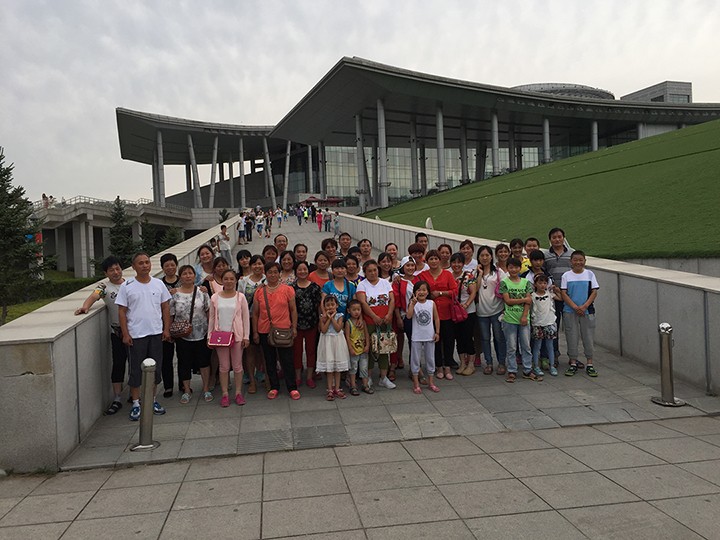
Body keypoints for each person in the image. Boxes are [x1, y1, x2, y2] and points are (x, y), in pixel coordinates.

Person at [115, 252, 171, 421]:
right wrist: (125, 333)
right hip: (136, 335)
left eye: (147, 262)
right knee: (136, 371)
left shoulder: (158, 284)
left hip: (156, 333)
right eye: (140, 263)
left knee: (155, 369)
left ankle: (152, 400)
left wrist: (166, 329)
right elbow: (122, 311)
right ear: (133, 267)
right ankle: (136, 403)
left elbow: (165, 308)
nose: (145, 265)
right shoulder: (127, 286)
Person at [74, 256, 128, 415]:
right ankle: (117, 398)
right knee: (118, 365)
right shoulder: (104, 287)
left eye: (118, 268)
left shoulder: (130, 284)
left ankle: (135, 395)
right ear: (106, 273)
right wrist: (85, 307)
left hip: (135, 330)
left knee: (136, 364)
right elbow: (93, 296)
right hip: (117, 332)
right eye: (111, 270)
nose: (116, 272)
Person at [252, 262, 299, 400]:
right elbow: (255, 313)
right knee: (269, 360)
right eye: (270, 272)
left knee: (287, 360)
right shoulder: (259, 291)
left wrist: (294, 327)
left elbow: (293, 310)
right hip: (264, 330)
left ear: (279, 274)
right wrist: (255, 332)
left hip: (284, 329)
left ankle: (292, 387)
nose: (272, 275)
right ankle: (274, 386)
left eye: (275, 272)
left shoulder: (288, 290)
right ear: (265, 274)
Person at [170, 265, 213, 404]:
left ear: (195, 276)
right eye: (184, 273)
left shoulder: (202, 292)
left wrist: (211, 330)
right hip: (182, 335)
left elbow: (208, 311)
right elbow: (171, 314)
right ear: (180, 277)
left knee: (204, 362)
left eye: (190, 273)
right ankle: (187, 390)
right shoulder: (175, 294)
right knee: (184, 362)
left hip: (202, 332)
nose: (188, 276)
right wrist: (169, 331)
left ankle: (206, 388)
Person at [209, 269, 251, 406]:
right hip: (221, 336)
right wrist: (209, 336)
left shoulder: (240, 297)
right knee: (224, 366)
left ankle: (238, 393)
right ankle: (225, 394)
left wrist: (246, 336)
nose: (229, 281)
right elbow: (212, 318)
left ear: (236, 280)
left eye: (231, 279)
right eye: (226, 279)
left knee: (237, 366)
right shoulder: (215, 297)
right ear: (222, 281)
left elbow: (245, 318)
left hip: (237, 336)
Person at [356, 260, 396, 389]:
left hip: (385, 321)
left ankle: (383, 377)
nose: (373, 273)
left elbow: (392, 299)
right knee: (370, 350)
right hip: (370, 321)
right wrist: (374, 316)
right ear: (365, 272)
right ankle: (368, 377)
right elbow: (363, 303)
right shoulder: (362, 285)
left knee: (384, 348)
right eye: (369, 271)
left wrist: (389, 314)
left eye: (375, 270)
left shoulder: (385, 283)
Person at [418, 249, 456, 379]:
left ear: (440, 260)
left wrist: (440, 293)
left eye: (436, 259)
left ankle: (447, 366)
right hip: (430, 314)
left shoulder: (447, 274)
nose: (434, 261)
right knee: (435, 341)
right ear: (427, 261)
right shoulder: (423, 275)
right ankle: (438, 366)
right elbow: (415, 285)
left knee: (448, 340)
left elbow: (454, 291)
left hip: (447, 313)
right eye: (431, 259)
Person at [560, 251, 599, 377]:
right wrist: (575, 307)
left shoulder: (590, 274)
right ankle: (573, 362)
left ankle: (590, 363)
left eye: (581, 260)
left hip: (587, 311)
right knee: (571, 336)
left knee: (588, 337)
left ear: (585, 261)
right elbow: (563, 293)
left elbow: (594, 292)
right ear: (571, 261)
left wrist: (584, 306)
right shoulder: (566, 275)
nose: (578, 262)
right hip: (569, 311)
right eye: (575, 260)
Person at [500, 257, 538, 383]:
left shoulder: (526, 282)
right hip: (509, 319)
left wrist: (524, 316)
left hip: (524, 319)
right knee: (511, 347)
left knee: (526, 346)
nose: (514, 270)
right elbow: (507, 301)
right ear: (507, 268)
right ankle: (512, 370)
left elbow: (529, 301)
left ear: (520, 268)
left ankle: (527, 369)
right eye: (511, 267)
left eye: (516, 267)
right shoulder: (504, 282)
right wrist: (523, 299)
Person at [544, 227, 575, 366]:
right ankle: (554, 354)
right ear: (550, 240)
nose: (557, 239)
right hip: (554, 297)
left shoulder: (572, 253)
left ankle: (573, 356)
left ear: (564, 238)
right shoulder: (546, 255)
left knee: (571, 328)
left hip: (569, 297)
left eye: (559, 237)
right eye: (554, 237)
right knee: (553, 327)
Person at [475, 245, 506, 375]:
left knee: (499, 338)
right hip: (481, 311)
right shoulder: (475, 272)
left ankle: (501, 362)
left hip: (497, 310)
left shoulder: (498, 272)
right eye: (482, 255)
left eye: (487, 255)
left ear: (491, 257)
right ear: (478, 257)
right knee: (485, 338)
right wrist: (480, 274)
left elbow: (505, 290)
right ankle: (488, 363)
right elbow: (475, 289)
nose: (485, 258)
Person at [237, 255, 266, 393]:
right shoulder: (243, 281)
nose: (257, 266)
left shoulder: (268, 279)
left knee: (263, 351)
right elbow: (239, 301)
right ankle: (251, 379)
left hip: (264, 320)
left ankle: (263, 373)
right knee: (250, 351)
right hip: (248, 319)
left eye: (260, 264)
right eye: (254, 264)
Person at [406, 281, 440, 394]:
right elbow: (408, 316)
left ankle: (431, 382)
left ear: (428, 292)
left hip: (429, 336)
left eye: (424, 290)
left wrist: (437, 332)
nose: (421, 292)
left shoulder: (431, 303)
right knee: (415, 360)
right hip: (416, 336)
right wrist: (412, 304)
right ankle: (416, 384)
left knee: (430, 359)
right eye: (419, 290)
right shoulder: (413, 303)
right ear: (414, 292)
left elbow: (436, 318)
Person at [293, 261, 321, 388]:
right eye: (299, 269)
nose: (302, 272)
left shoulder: (315, 287)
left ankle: (310, 376)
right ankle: (298, 376)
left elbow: (319, 306)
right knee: (297, 351)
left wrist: (320, 320)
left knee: (311, 350)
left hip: (312, 323)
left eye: (304, 269)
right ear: (296, 271)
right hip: (297, 324)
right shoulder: (291, 288)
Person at [450, 253, 478, 376]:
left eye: (459, 262)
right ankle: (462, 363)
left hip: (468, 312)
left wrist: (466, 304)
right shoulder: (448, 275)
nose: (456, 265)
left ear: (463, 264)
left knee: (467, 337)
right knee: (458, 338)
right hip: (454, 312)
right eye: (454, 262)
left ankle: (471, 364)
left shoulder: (468, 276)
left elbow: (473, 292)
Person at [317, 296, 350, 400]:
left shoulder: (340, 316)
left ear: (337, 305)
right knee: (330, 367)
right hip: (327, 342)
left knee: (337, 367)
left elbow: (338, 328)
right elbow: (323, 330)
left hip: (337, 342)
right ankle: (330, 389)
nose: (330, 307)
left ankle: (337, 388)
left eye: (332, 304)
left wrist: (332, 318)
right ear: (324, 307)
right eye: (328, 305)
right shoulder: (322, 317)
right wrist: (328, 318)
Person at [160, 253, 181, 397]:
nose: (170, 268)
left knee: (182, 356)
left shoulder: (183, 280)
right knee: (166, 357)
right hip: (164, 325)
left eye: (172, 264)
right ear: (162, 268)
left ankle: (183, 384)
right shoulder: (158, 284)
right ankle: (168, 386)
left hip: (182, 325)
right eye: (166, 265)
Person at [531, 274, 557, 376]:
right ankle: (536, 366)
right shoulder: (532, 296)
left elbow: (560, 298)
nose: (542, 285)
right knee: (537, 345)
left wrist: (557, 290)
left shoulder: (549, 294)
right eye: (540, 283)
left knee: (550, 345)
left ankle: (552, 365)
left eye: (545, 283)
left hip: (549, 322)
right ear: (535, 284)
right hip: (537, 323)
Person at [344, 299, 371, 395]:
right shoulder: (348, 323)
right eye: (354, 310)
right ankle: (353, 385)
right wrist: (350, 348)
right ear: (349, 311)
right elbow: (347, 337)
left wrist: (367, 345)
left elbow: (366, 334)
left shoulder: (363, 322)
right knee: (353, 368)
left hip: (363, 349)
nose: (356, 312)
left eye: (358, 309)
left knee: (364, 368)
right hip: (354, 350)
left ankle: (365, 385)